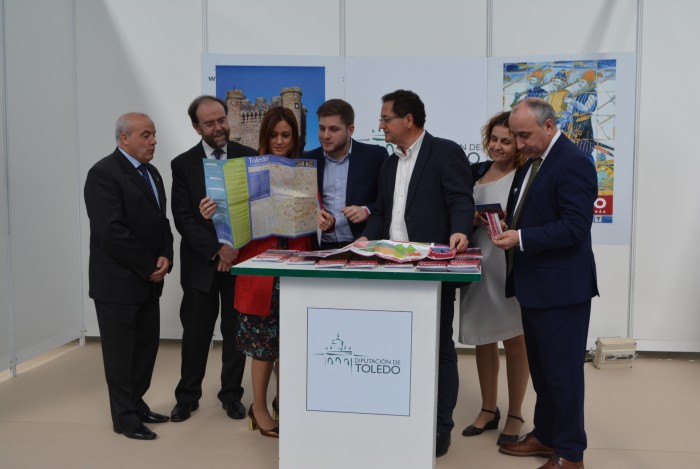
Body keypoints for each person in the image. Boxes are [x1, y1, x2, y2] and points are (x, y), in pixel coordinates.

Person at [358, 89, 474, 458]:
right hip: (391, 269)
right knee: (396, 349)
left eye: (385, 119)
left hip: (430, 269)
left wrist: (460, 230)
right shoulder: (390, 163)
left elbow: (460, 198)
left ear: (408, 120)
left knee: (438, 347)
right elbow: (381, 210)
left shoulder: (445, 151)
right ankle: (401, 415)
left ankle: (441, 427)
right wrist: (366, 237)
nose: (381, 126)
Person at [493, 98, 598, 469]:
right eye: (516, 136)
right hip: (535, 286)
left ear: (550, 126)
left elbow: (574, 227)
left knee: (563, 373)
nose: (519, 144)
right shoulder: (535, 162)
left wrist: (520, 238)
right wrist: (508, 223)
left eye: (524, 136)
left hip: (562, 290)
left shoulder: (574, 164)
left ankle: (570, 453)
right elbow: (534, 213)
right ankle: (546, 435)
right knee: (544, 370)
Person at [200, 107, 315, 438]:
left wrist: (322, 217)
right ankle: (259, 408)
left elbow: (312, 220)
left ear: (295, 138)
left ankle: (286, 402)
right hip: (260, 271)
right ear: (264, 136)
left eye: (286, 135)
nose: (279, 141)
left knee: (294, 345)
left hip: (297, 269)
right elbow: (229, 223)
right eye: (273, 135)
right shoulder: (243, 172)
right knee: (263, 348)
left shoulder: (304, 171)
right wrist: (212, 213)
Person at [84, 112, 174, 440]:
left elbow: (161, 223)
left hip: (148, 280)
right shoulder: (103, 174)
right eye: (146, 135)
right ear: (125, 138)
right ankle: (124, 419)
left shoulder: (152, 173)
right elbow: (111, 232)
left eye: (154, 135)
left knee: (146, 348)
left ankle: (136, 404)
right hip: (117, 283)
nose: (153, 141)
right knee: (121, 354)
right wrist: (150, 264)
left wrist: (166, 256)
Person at [169, 95, 255, 423]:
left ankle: (231, 395)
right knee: (196, 334)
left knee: (235, 334)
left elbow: (255, 209)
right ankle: (187, 397)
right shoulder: (182, 164)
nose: (219, 127)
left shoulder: (249, 157)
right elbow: (183, 219)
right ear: (196, 127)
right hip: (201, 264)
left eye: (222, 119)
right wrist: (217, 248)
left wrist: (233, 251)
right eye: (210, 123)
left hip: (240, 262)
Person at [458, 111, 530, 447]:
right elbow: (455, 210)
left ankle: (515, 413)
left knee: (516, 341)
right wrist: (469, 216)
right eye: (493, 139)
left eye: (505, 140)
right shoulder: (474, 172)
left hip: (511, 265)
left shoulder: (527, 174)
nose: (497, 146)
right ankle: (489, 409)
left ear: (518, 141)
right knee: (483, 339)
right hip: (477, 263)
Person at [304, 99, 388, 249]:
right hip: (321, 249)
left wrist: (366, 210)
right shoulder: (307, 160)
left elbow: (389, 200)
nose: (326, 135)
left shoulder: (375, 156)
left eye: (334, 129)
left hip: (363, 247)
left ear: (350, 130)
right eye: (322, 128)